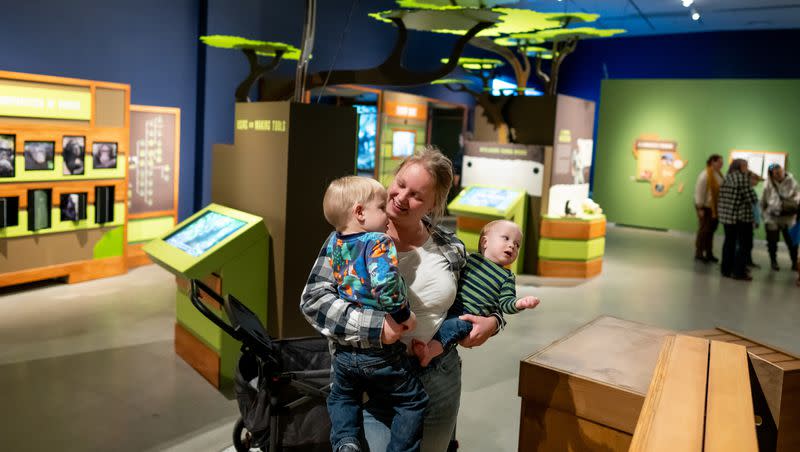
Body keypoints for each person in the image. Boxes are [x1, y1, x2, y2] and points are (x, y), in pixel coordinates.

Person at [301, 147, 504, 452]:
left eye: (417, 195)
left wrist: (493, 322)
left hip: (436, 379)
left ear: (434, 204)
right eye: (400, 184)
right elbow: (314, 300)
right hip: (370, 380)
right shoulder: (348, 239)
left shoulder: (450, 248)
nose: (400, 197)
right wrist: (375, 327)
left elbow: (480, 299)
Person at [320, 175, 426, 452]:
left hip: (344, 352)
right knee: (413, 401)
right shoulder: (378, 242)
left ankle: (346, 443)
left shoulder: (335, 243)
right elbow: (385, 284)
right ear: (359, 213)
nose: (387, 214)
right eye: (381, 208)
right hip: (378, 353)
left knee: (342, 396)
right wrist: (404, 316)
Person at [412, 219, 540, 367]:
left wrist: (519, 303)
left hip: (469, 317)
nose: (512, 245)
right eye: (506, 238)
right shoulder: (471, 260)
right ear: (485, 242)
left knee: (452, 328)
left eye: (517, 245)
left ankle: (429, 352)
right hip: (451, 307)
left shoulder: (507, 277)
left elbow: (505, 304)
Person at [718, 159, 758, 281]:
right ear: (740, 167)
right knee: (744, 245)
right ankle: (739, 272)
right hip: (740, 217)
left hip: (726, 216)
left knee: (729, 243)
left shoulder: (727, 177)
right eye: (746, 166)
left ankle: (726, 269)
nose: (747, 168)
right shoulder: (741, 178)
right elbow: (752, 197)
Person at [760, 164, 799, 271]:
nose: (778, 174)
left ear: (783, 171)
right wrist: (764, 216)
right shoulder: (767, 183)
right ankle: (774, 261)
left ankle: (794, 262)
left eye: (780, 171)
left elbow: (797, 196)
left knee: (792, 242)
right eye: (775, 173)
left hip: (789, 218)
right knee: (772, 242)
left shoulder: (792, 181)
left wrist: (794, 204)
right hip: (772, 218)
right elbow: (763, 201)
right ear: (771, 174)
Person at [693, 154, 724, 263]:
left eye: (722, 162)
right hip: (705, 207)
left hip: (714, 208)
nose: (722, 164)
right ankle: (699, 252)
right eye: (719, 162)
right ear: (712, 162)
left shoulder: (718, 174)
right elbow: (699, 192)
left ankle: (709, 253)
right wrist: (699, 208)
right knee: (704, 231)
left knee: (710, 231)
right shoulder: (705, 175)